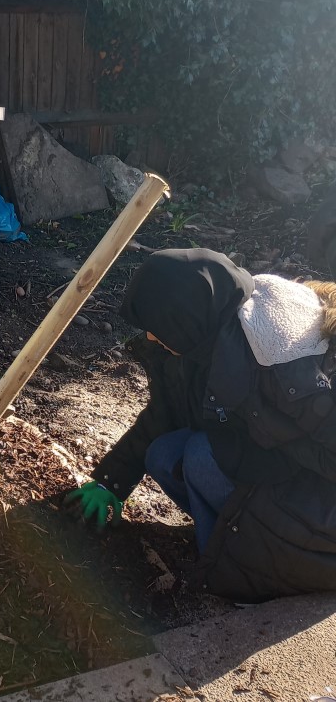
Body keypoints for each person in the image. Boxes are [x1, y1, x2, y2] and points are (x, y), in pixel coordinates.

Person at [66, 247, 336, 603]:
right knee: (164, 454)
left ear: (188, 318)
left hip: (321, 512)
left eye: (157, 327)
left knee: (201, 457)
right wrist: (110, 482)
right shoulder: (205, 339)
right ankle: (227, 544)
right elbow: (164, 415)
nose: (149, 337)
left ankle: (233, 569)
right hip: (274, 479)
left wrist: (276, 443)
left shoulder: (287, 363)